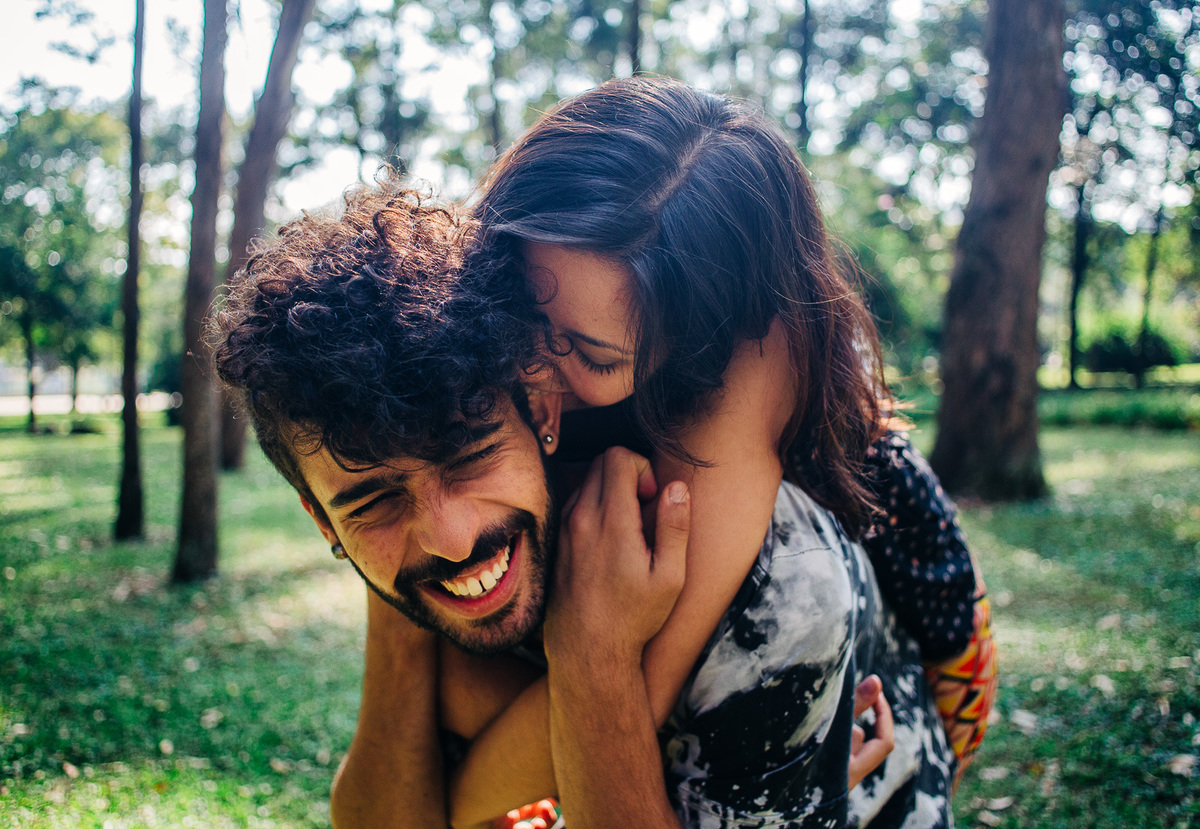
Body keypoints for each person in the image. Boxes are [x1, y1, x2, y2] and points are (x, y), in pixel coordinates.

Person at [212, 183, 955, 829]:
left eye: (469, 454)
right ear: (321, 517)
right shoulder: (437, 544)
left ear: (541, 404)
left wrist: (589, 657)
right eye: (370, 500)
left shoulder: (772, 559)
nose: (449, 533)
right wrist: (394, 604)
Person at [427, 76, 994, 826]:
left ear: (702, 346)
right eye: (523, 308)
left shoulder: (761, 359)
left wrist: (446, 806)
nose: (532, 364)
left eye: (591, 356)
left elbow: (628, 695)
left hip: (940, 654)